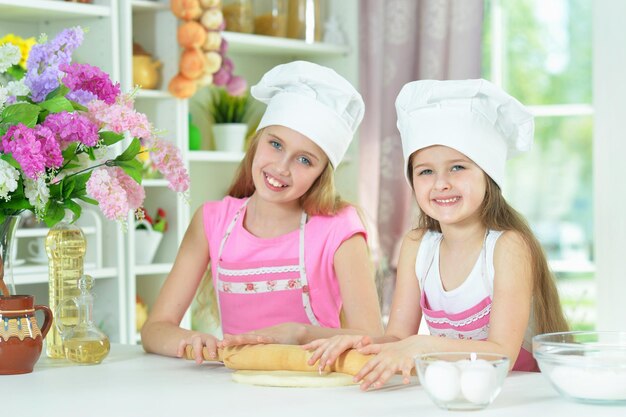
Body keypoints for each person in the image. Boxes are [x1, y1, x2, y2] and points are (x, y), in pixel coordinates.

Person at [304, 79, 569, 390]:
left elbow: (503, 355)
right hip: (465, 392)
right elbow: (398, 338)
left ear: (489, 175)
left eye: (457, 168)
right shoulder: (418, 246)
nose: (440, 183)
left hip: (521, 394)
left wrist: (424, 345)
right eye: (426, 171)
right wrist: (354, 343)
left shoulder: (507, 246)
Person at [141, 61, 383, 362]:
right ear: (256, 143)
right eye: (276, 144)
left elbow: (373, 337)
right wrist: (191, 340)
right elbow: (154, 329)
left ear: (322, 173)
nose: (281, 168)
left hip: (316, 390)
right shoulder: (212, 221)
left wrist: (301, 333)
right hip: (237, 388)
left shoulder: (338, 229)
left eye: (305, 160)